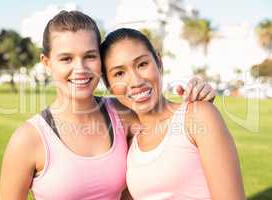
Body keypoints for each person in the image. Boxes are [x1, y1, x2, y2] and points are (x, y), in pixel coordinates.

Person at [0, 11, 216, 200]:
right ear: (47, 63)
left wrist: (198, 93)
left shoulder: (122, 114)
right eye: (66, 59)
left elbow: (171, 122)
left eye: (90, 56)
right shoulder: (28, 140)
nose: (80, 68)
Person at [100, 28, 245, 200]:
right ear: (108, 85)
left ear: (159, 62)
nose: (136, 81)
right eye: (119, 73)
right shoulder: (129, 143)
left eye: (142, 64)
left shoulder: (198, 116)